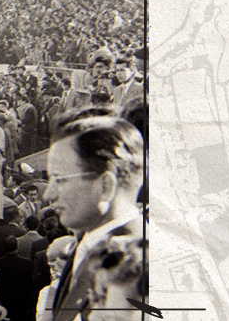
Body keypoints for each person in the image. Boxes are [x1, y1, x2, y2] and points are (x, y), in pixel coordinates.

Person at [42, 107, 145, 321]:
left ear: (106, 185)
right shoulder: (90, 243)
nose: (48, 194)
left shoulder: (137, 271)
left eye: (60, 179)